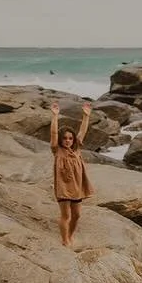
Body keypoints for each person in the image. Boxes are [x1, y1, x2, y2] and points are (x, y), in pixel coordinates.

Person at [49, 101, 93, 246]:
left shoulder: (76, 150)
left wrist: (86, 116)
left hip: (77, 186)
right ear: (61, 140)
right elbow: (54, 133)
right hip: (63, 186)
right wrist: (55, 116)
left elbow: (82, 131)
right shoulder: (57, 150)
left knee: (77, 215)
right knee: (66, 215)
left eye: (70, 138)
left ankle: (70, 235)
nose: (67, 141)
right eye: (65, 138)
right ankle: (65, 240)